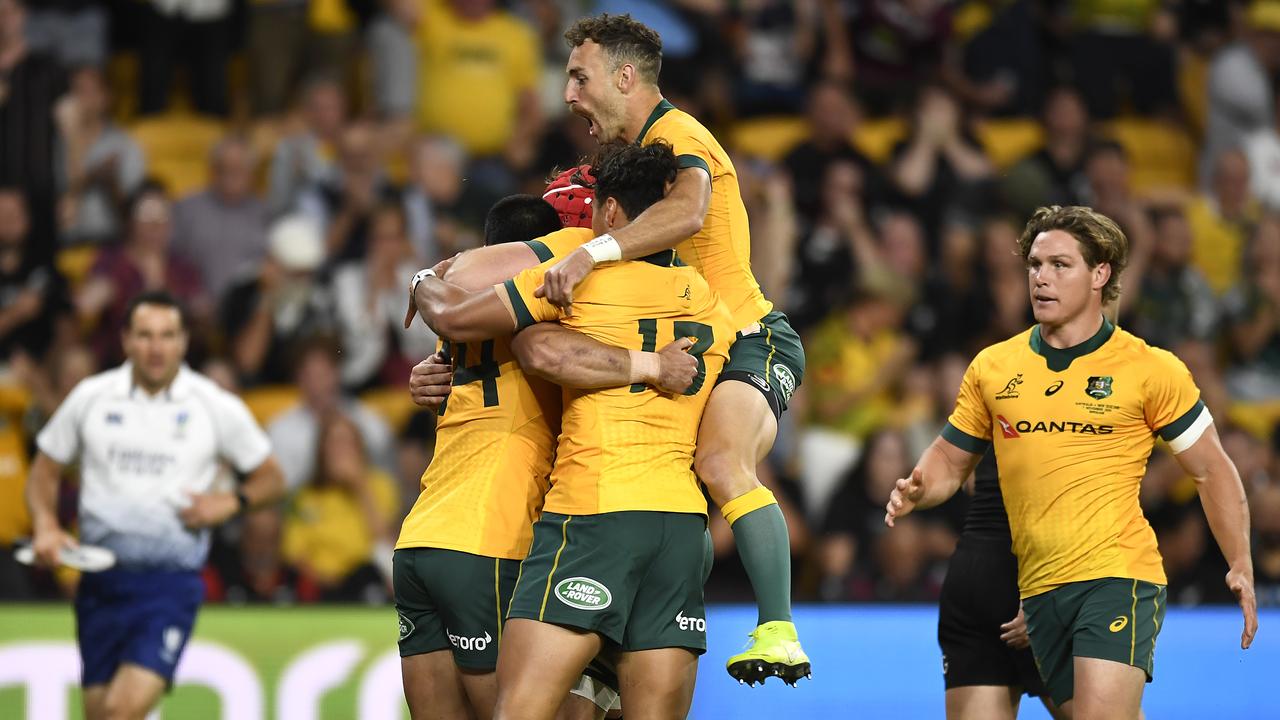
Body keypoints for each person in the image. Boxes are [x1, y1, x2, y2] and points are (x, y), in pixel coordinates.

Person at [885, 205, 1258, 718]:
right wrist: (919, 487)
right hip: (1037, 589)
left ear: (1099, 274)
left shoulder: (1151, 369)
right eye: (1035, 265)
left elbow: (1211, 468)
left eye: (1060, 265)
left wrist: (1240, 561)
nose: (1041, 278)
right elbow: (952, 458)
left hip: (1115, 577)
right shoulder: (994, 367)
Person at [409, 142, 733, 720]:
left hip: (485, 527)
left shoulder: (561, 276)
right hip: (657, 525)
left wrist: (421, 282)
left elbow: (490, 325)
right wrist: (655, 365)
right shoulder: (708, 300)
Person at [533, 13, 810, 684]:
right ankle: (614, 654)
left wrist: (591, 253)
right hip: (691, 351)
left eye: (579, 77)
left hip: (750, 341)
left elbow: (688, 211)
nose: (569, 95)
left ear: (625, 78)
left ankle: (778, 629)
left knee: (720, 461)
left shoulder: (682, 135)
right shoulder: (634, 162)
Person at [25, 290, 285, 720]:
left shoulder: (212, 405)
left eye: (167, 335)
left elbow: (273, 478)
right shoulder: (92, 397)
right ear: (126, 339)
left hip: (169, 585)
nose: (156, 347)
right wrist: (46, 524)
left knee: (120, 712)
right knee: (100, 714)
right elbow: (45, 469)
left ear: (183, 342)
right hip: (98, 583)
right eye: (145, 335)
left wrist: (232, 501)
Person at [936, 450, 1062, 720]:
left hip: (977, 569)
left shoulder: (985, 407)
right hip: (1052, 575)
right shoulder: (1085, 413)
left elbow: (959, 474)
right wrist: (1045, 589)